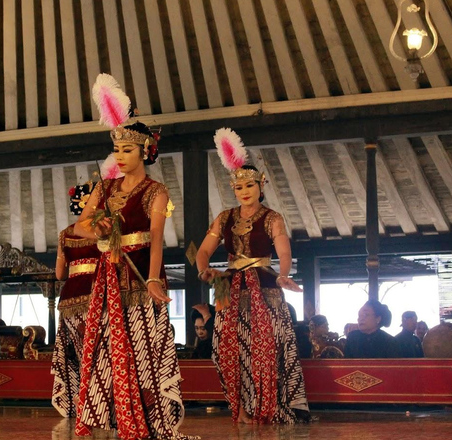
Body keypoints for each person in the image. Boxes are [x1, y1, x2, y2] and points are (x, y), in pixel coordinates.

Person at [72, 74, 197, 440]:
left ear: (144, 151)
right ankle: (111, 416)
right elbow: (79, 226)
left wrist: (155, 278)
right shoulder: (105, 187)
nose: (121, 156)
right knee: (106, 350)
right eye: (117, 151)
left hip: (142, 273)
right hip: (108, 275)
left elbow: (157, 239)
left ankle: (148, 420)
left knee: (143, 352)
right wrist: (98, 229)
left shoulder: (156, 191)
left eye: (128, 150)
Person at [196, 127, 309, 424]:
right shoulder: (224, 217)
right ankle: (241, 409)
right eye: (238, 187)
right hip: (226, 284)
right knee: (224, 349)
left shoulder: (272, 218)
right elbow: (203, 251)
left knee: (266, 347)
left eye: (249, 185)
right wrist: (203, 269)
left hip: (265, 282)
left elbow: (284, 253)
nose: (244, 191)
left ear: (261, 185)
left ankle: (268, 406)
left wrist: (284, 274)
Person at [51, 179, 101, 417]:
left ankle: (82, 402)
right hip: (95, 294)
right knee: (99, 352)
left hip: (70, 300)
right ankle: (97, 402)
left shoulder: (65, 234)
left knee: (79, 353)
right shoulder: (101, 230)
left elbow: (60, 274)